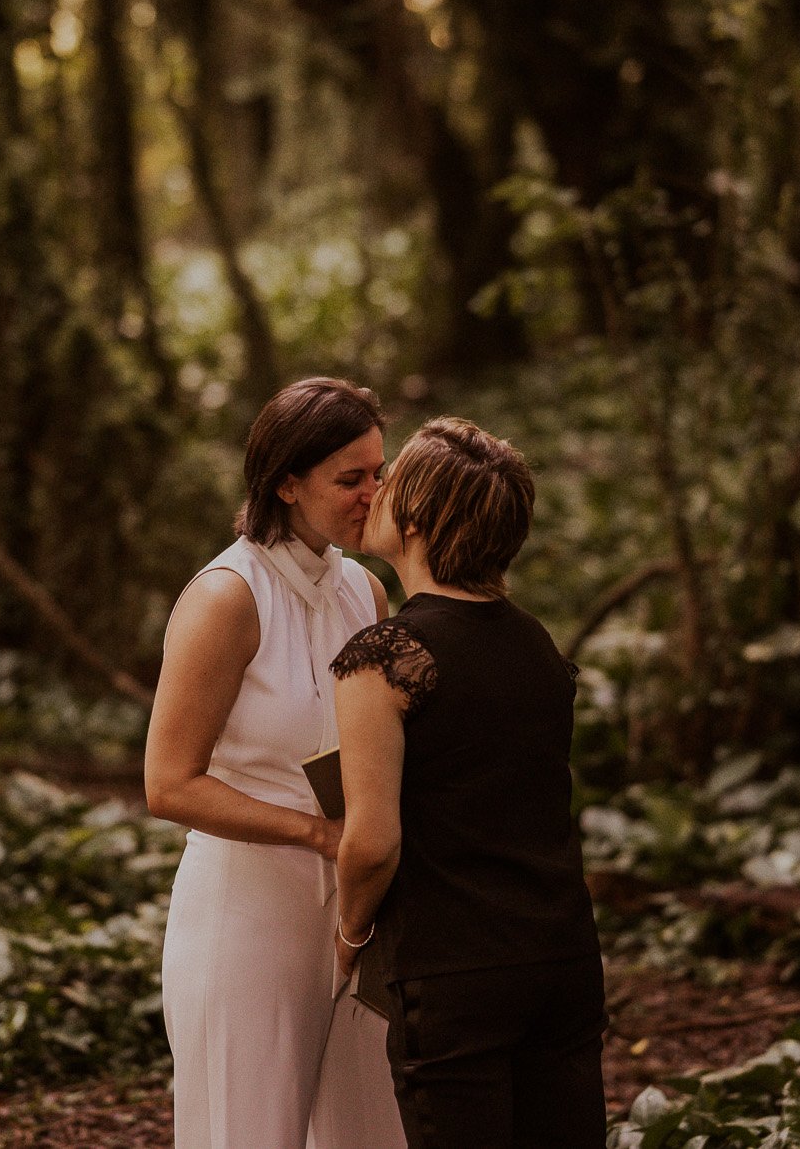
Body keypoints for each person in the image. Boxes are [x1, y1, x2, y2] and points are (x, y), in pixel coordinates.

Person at [145, 377, 408, 1149]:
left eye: (379, 474)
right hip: (248, 920)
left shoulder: (366, 589)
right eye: (349, 478)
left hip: (362, 916)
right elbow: (168, 783)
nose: (372, 494)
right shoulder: (227, 596)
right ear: (287, 483)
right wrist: (320, 833)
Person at [330, 416, 606, 1149]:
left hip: (454, 972)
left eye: (389, 479)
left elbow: (374, 842)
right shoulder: (537, 643)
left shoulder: (384, 655)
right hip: (564, 959)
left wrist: (350, 931)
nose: (374, 489)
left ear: (418, 516)